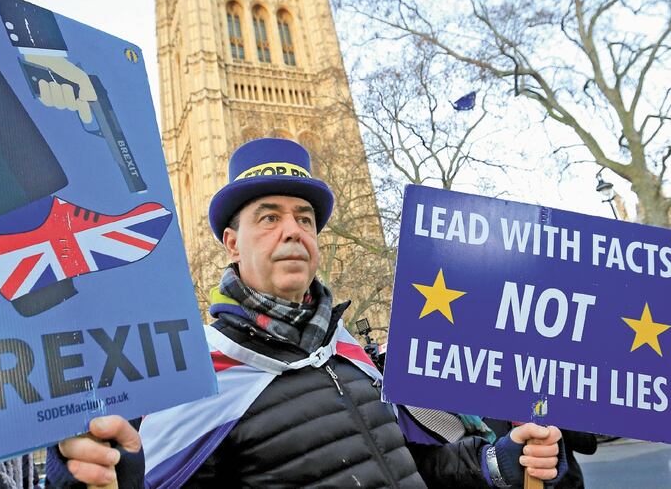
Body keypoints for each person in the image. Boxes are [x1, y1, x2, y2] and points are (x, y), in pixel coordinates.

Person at [47, 138, 565, 488]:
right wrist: (101, 476)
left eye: (304, 218)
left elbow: (416, 462)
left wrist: (501, 465)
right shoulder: (197, 376)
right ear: (231, 242)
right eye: (268, 218)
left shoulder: (351, 352)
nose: (292, 231)